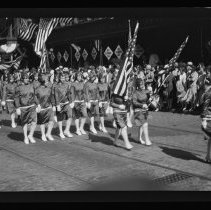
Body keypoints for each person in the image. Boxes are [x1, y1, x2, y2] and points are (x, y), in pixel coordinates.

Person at [14, 73, 39, 144]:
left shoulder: (31, 86)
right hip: (23, 107)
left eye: (27, 78)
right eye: (25, 78)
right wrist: (17, 107)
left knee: (34, 121)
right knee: (24, 122)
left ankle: (30, 135)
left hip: (32, 106)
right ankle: (25, 137)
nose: (26, 79)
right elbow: (16, 98)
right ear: (22, 79)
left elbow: (34, 96)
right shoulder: (19, 87)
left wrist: (38, 104)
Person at [132, 77, 152, 146]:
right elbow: (134, 102)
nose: (142, 85)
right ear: (137, 85)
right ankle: (147, 140)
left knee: (141, 125)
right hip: (138, 110)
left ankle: (139, 138)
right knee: (145, 124)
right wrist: (142, 105)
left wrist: (150, 97)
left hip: (144, 110)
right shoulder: (135, 93)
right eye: (140, 84)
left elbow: (147, 99)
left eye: (143, 83)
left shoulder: (145, 91)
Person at [35, 74, 55, 142]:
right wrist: (37, 105)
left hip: (49, 107)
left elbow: (51, 97)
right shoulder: (37, 89)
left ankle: (48, 134)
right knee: (42, 122)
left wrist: (53, 105)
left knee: (51, 121)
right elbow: (35, 98)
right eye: (45, 80)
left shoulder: (49, 89)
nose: (47, 81)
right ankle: (43, 134)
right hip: (42, 108)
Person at [54, 72, 74, 139]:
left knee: (70, 116)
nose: (63, 79)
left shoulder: (67, 85)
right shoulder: (56, 86)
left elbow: (69, 94)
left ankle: (66, 130)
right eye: (61, 78)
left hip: (67, 103)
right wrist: (57, 105)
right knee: (60, 119)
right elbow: (56, 96)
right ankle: (61, 132)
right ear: (59, 78)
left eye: (64, 78)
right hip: (60, 104)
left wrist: (71, 102)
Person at [84, 69, 100, 134]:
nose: (93, 78)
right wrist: (88, 102)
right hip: (90, 101)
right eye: (92, 77)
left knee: (96, 114)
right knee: (91, 115)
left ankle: (91, 125)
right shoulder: (86, 84)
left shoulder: (95, 84)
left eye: (94, 77)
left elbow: (97, 92)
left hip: (95, 100)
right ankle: (92, 127)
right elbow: (86, 93)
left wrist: (99, 100)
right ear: (90, 77)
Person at [200, 77, 211, 163]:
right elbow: (205, 107)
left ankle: (208, 156)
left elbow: (205, 107)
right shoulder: (207, 93)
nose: (204, 86)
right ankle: (208, 156)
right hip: (208, 116)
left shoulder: (207, 93)